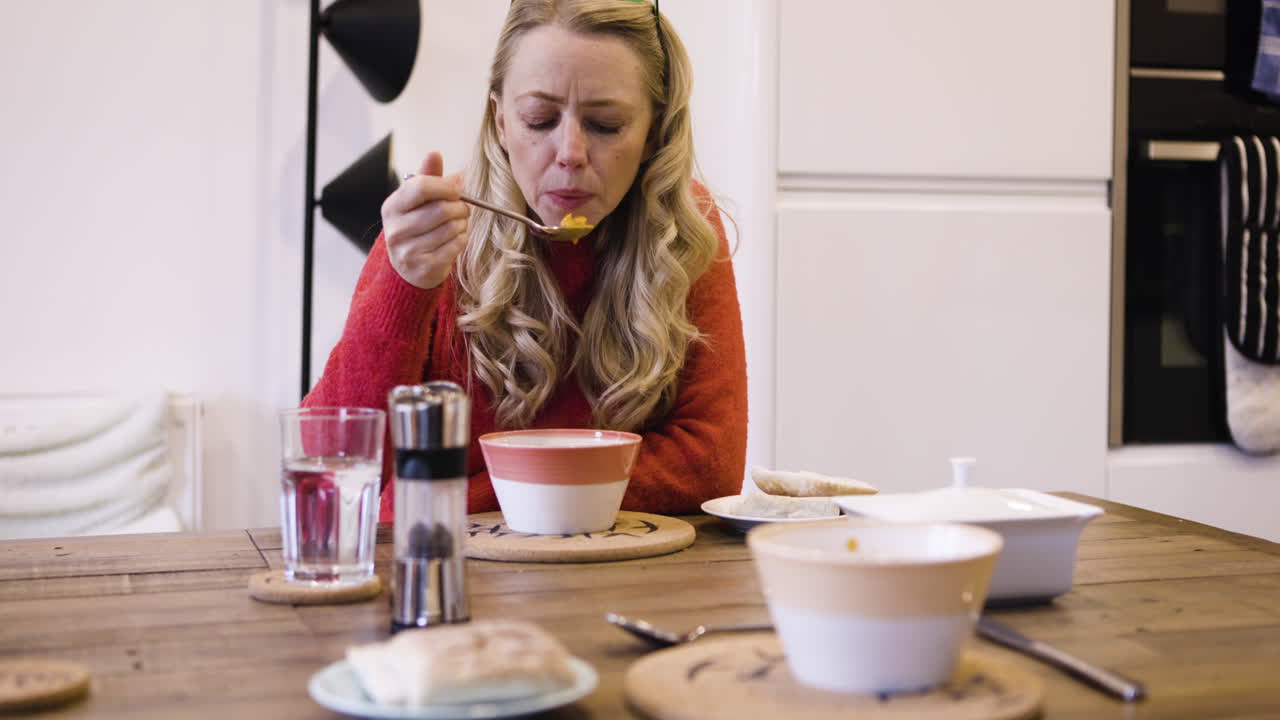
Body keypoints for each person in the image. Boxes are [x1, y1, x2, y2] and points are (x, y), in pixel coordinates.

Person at [304, 0, 747, 523]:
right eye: (539, 119)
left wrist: (467, 495)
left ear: (654, 134)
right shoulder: (438, 232)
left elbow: (709, 464)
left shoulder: (683, 230)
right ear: (499, 121)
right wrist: (406, 286)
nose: (570, 153)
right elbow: (329, 461)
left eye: (605, 125)